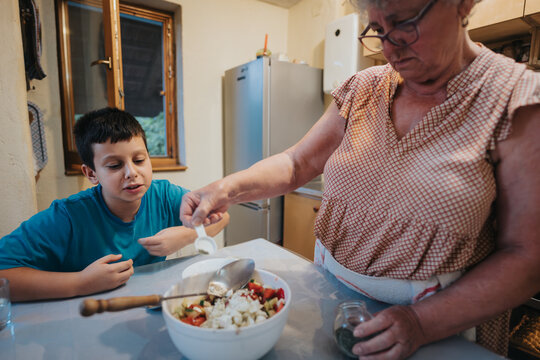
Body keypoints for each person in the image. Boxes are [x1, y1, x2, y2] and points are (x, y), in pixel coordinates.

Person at [179, 0, 540, 358]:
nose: (388, 47)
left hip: (439, 320)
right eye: (378, 30)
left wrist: (421, 322)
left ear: (462, 4)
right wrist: (225, 188)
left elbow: (526, 256)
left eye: (402, 23)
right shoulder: (364, 87)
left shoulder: (513, 97)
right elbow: (297, 162)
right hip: (333, 294)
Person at [0, 107, 229, 302]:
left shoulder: (164, 195)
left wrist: (186, 235)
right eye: (114, 165)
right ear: (91, 173)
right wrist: (81, 283)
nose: (132, 173)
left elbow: (221, 216)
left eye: (139, 160)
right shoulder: (67, 217)